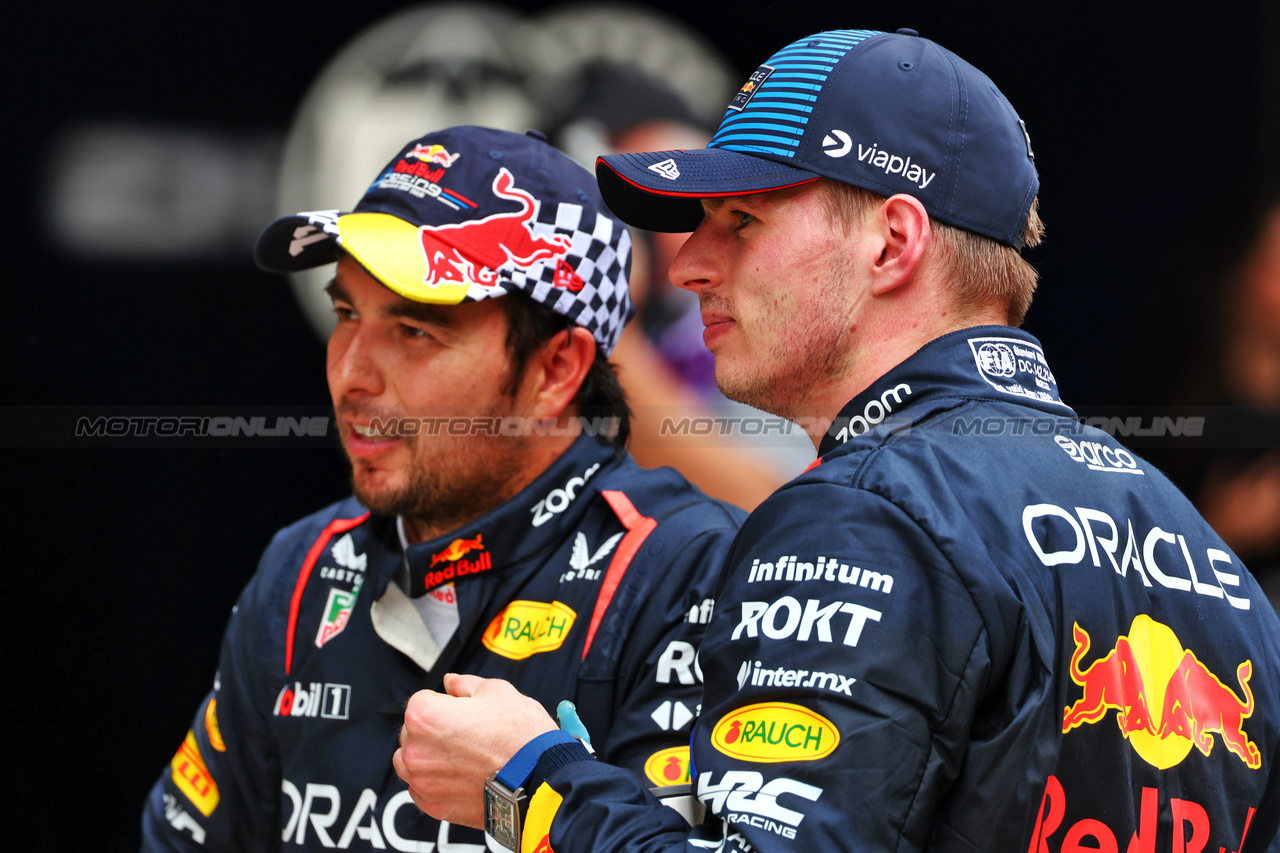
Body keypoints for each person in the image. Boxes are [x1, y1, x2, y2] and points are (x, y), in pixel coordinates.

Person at [393, 29, 1280, 853]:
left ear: (894, 242)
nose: (690, 262)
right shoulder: (1197, 544)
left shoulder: (862, 513)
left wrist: (527, 780)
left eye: (742, 219)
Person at [140, 126, 746, 851]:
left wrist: (528, 787)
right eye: (346, 314)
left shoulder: (686, 572)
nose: (351, 375)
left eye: (415, 329)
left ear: (555, 371)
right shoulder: (300, 571)